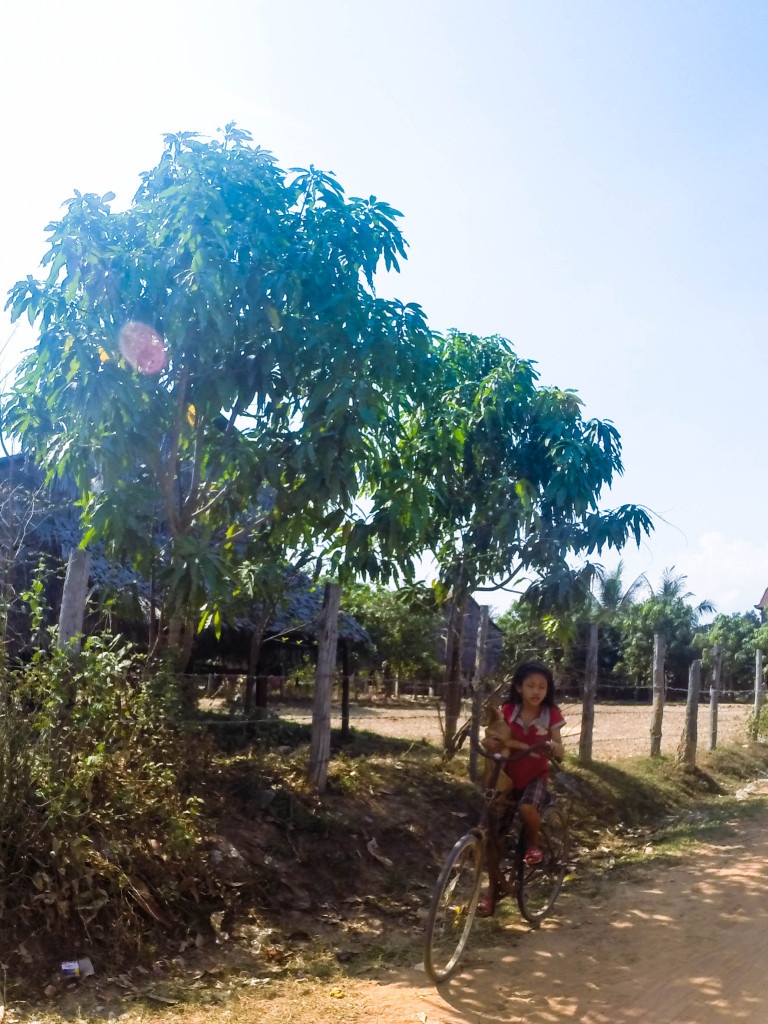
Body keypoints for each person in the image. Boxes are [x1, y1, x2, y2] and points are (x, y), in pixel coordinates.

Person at [478, 660, 565, 917]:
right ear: (518, 687)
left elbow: (558, 744)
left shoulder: (552, 714)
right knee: (494, 841)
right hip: (507, 777)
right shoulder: (507, 710)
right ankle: (491, 896)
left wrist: (556, 748)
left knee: (528, 806)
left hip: (535, 775)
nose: (536, 691)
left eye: (542, 686)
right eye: (530, 686)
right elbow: (495, 736)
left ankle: (533, 846)